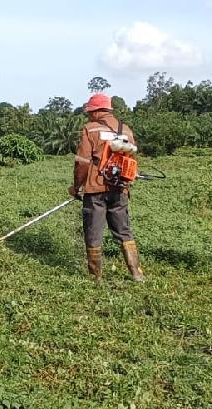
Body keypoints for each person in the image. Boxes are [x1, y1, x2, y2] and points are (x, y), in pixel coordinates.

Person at [68, 93, 145, 282]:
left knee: (93, 232)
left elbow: (83, 163)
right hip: (120, 189)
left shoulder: (90, 129)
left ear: (95, 112)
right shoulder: (126, 130)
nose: (88, 116)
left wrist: (77, 186)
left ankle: (96, 279)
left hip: (95, 191)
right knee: (124, 231)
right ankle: (136, 273)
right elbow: (132, 161)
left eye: (89, 112)